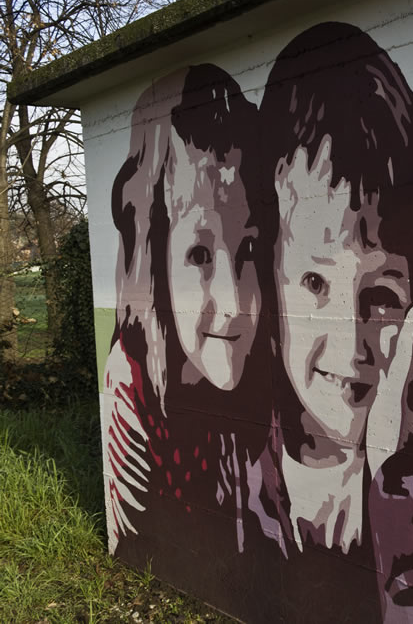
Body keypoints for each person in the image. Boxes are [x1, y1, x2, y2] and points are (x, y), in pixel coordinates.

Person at [246, 21, 413, 622]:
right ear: (268, 279)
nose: (352, 343)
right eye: (315, 283)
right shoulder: (235, 464)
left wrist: (392, 486)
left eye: (382, 298)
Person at [104, 64, 272, 599]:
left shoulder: (263, 375)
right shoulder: (130, 386)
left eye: (248, 249)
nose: (235, 303)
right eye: (199, 255)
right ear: (153, 261)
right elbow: (136, 547)